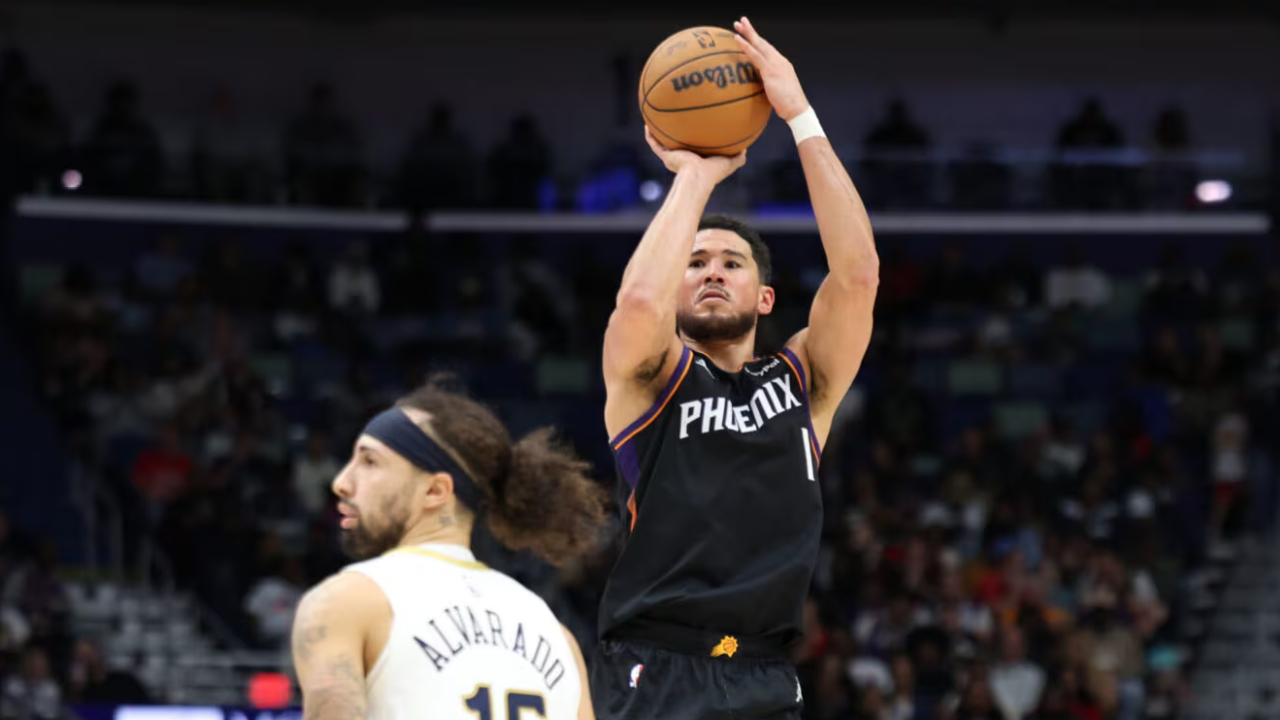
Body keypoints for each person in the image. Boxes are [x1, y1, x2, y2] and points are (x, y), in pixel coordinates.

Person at [592, 17, 878, 720]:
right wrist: (697, 174)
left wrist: (799, 115)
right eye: (695, 263)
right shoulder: (650, 380)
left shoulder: (803, 383)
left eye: (731, 262)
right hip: (656, 664)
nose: (713, 272)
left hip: (765, 674)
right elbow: (639, 300)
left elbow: (858, 276)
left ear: (765, 296)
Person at [291, 377, 607, 720]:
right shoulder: (558, 636)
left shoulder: (347, 602)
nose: (341, 482)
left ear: (435, 491)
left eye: (370, 462)